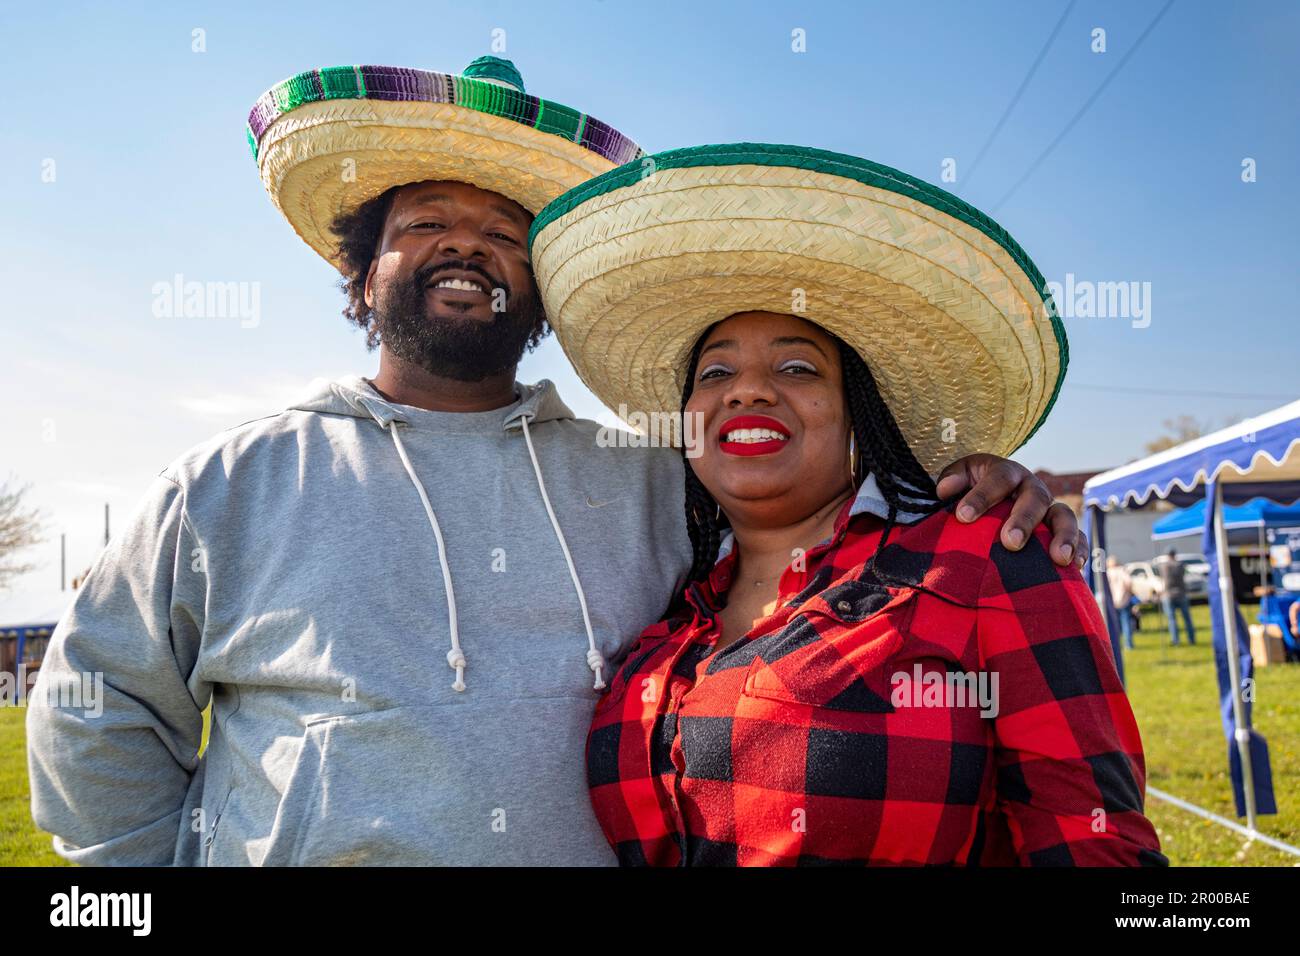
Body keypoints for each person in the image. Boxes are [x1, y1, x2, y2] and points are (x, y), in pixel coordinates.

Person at [27, 64, 1084, 867]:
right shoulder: (230, 483)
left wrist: (982, 477)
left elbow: (816, 508)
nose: (469, 247)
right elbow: (94, 705)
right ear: (363, 271)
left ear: (544, 288)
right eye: (426, 222)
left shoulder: (652, 477)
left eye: (506, 232)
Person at [530, 143, 1166, 865]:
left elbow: (1098, 844)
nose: (748, 390)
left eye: (797, 367)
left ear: (859, 416)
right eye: (716, 373)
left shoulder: (986, 557)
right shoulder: (667, 613)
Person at [1158, 547, 1196, 645]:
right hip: (1181, 593)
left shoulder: (1164, 566)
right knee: (1187, 618)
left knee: (1172, 619)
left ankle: (1175, 640)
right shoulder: (1180, 565)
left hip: (1168, 594)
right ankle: (1191, 639)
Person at [1107, 556, 1136, 650]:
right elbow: (1129, 583)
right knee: (1126, 622)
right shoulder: (1121, 570)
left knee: (1114, 624)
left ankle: (1115, 644)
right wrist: (1130, 592)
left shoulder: (1107, 573)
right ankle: (1128, 644)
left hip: (1112, 601)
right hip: (1124, 600)